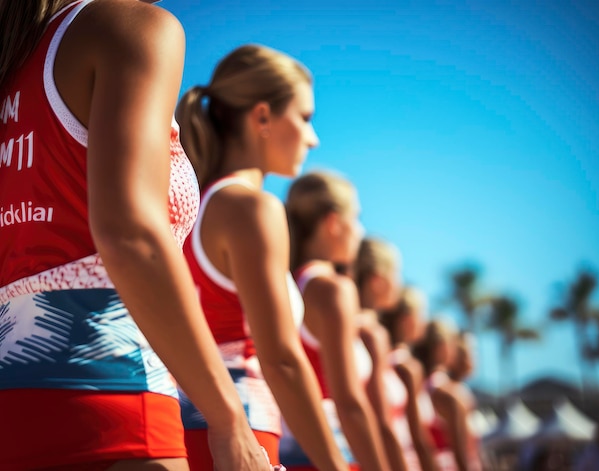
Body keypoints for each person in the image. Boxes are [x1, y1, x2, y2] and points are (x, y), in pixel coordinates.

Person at [0, 1, 273, 470]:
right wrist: (230, 421)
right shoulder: (131, 28)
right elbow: (132, 236)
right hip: (115, 391)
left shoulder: (13, 59)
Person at [175, 44, 348, 471]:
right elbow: (282, 360)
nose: (313, 137)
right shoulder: (254, 209)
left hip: (186, 431)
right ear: (263, 117)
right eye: (305, 118)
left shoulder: (189, 207)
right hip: (244, 440)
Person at [279, 170, 391, 470]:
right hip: (334, 455)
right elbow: (349, 402)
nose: (359, 232)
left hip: (288, 450)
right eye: (356, 218)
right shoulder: (334, 290)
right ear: (333, 223)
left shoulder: (289, 282)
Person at [354, 237, 413, 471]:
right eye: (397, 273)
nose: (400, 283)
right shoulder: (372, 333)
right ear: (378, 280)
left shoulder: (353, 324)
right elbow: (382, 424)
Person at [379, 286, 442, 471]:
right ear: (407, 320)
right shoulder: (408, 367)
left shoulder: (386, 360)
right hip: (407, 462)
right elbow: (418, 435)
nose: (424, 322)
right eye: (421, 314)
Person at [412, 319, 469, 471]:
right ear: (442, 347)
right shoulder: (449, 392)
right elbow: (461, 451)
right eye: (452, 343)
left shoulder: (421, 386)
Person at [447, 332, 483, 471]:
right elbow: (460, 446)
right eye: (471, 352)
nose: (475, 358)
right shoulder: (454, 393)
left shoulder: (462, 390)